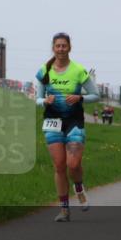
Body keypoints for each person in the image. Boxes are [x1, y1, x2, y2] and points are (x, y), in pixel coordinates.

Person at [36, 32, 100, 222]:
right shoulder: (44, 71)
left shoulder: (78, 70)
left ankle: (79, 187)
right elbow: (37, 99)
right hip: (53, 122)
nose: (61, 49)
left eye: (64, 46)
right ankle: (64, 209)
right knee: (59, 166)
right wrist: (45, 101)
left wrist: (80, 97)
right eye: (58, 46)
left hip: (74, 122)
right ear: (53, 48)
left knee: (73, 164)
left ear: (69, 47)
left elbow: (95, 95)